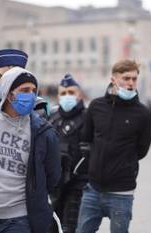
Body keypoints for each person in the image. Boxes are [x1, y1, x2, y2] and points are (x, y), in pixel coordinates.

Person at [0, 66, 61, 233]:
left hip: (19, 221)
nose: (31, 95)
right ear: (9, 93)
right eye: (24, 90)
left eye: (33, 90)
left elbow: (53, 176)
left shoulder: (43, 132)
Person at [76, 59, 151, 233]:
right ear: (113, 79)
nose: (131, 83)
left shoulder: (144, 114)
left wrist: (123, 165)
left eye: (134, 79)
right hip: (93, 189)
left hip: (122, 192)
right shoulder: (96, 106)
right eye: (126, 78)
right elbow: (86, 138)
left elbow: (142, 150)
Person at [49, 74, 89, 233]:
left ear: (79, 94)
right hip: (56, 185)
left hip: (78, 184)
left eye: (71, 92)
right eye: (63, 93)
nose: (67, 96)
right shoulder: (53, 118)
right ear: (58, 96)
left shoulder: (87, 118)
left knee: (69, 227)